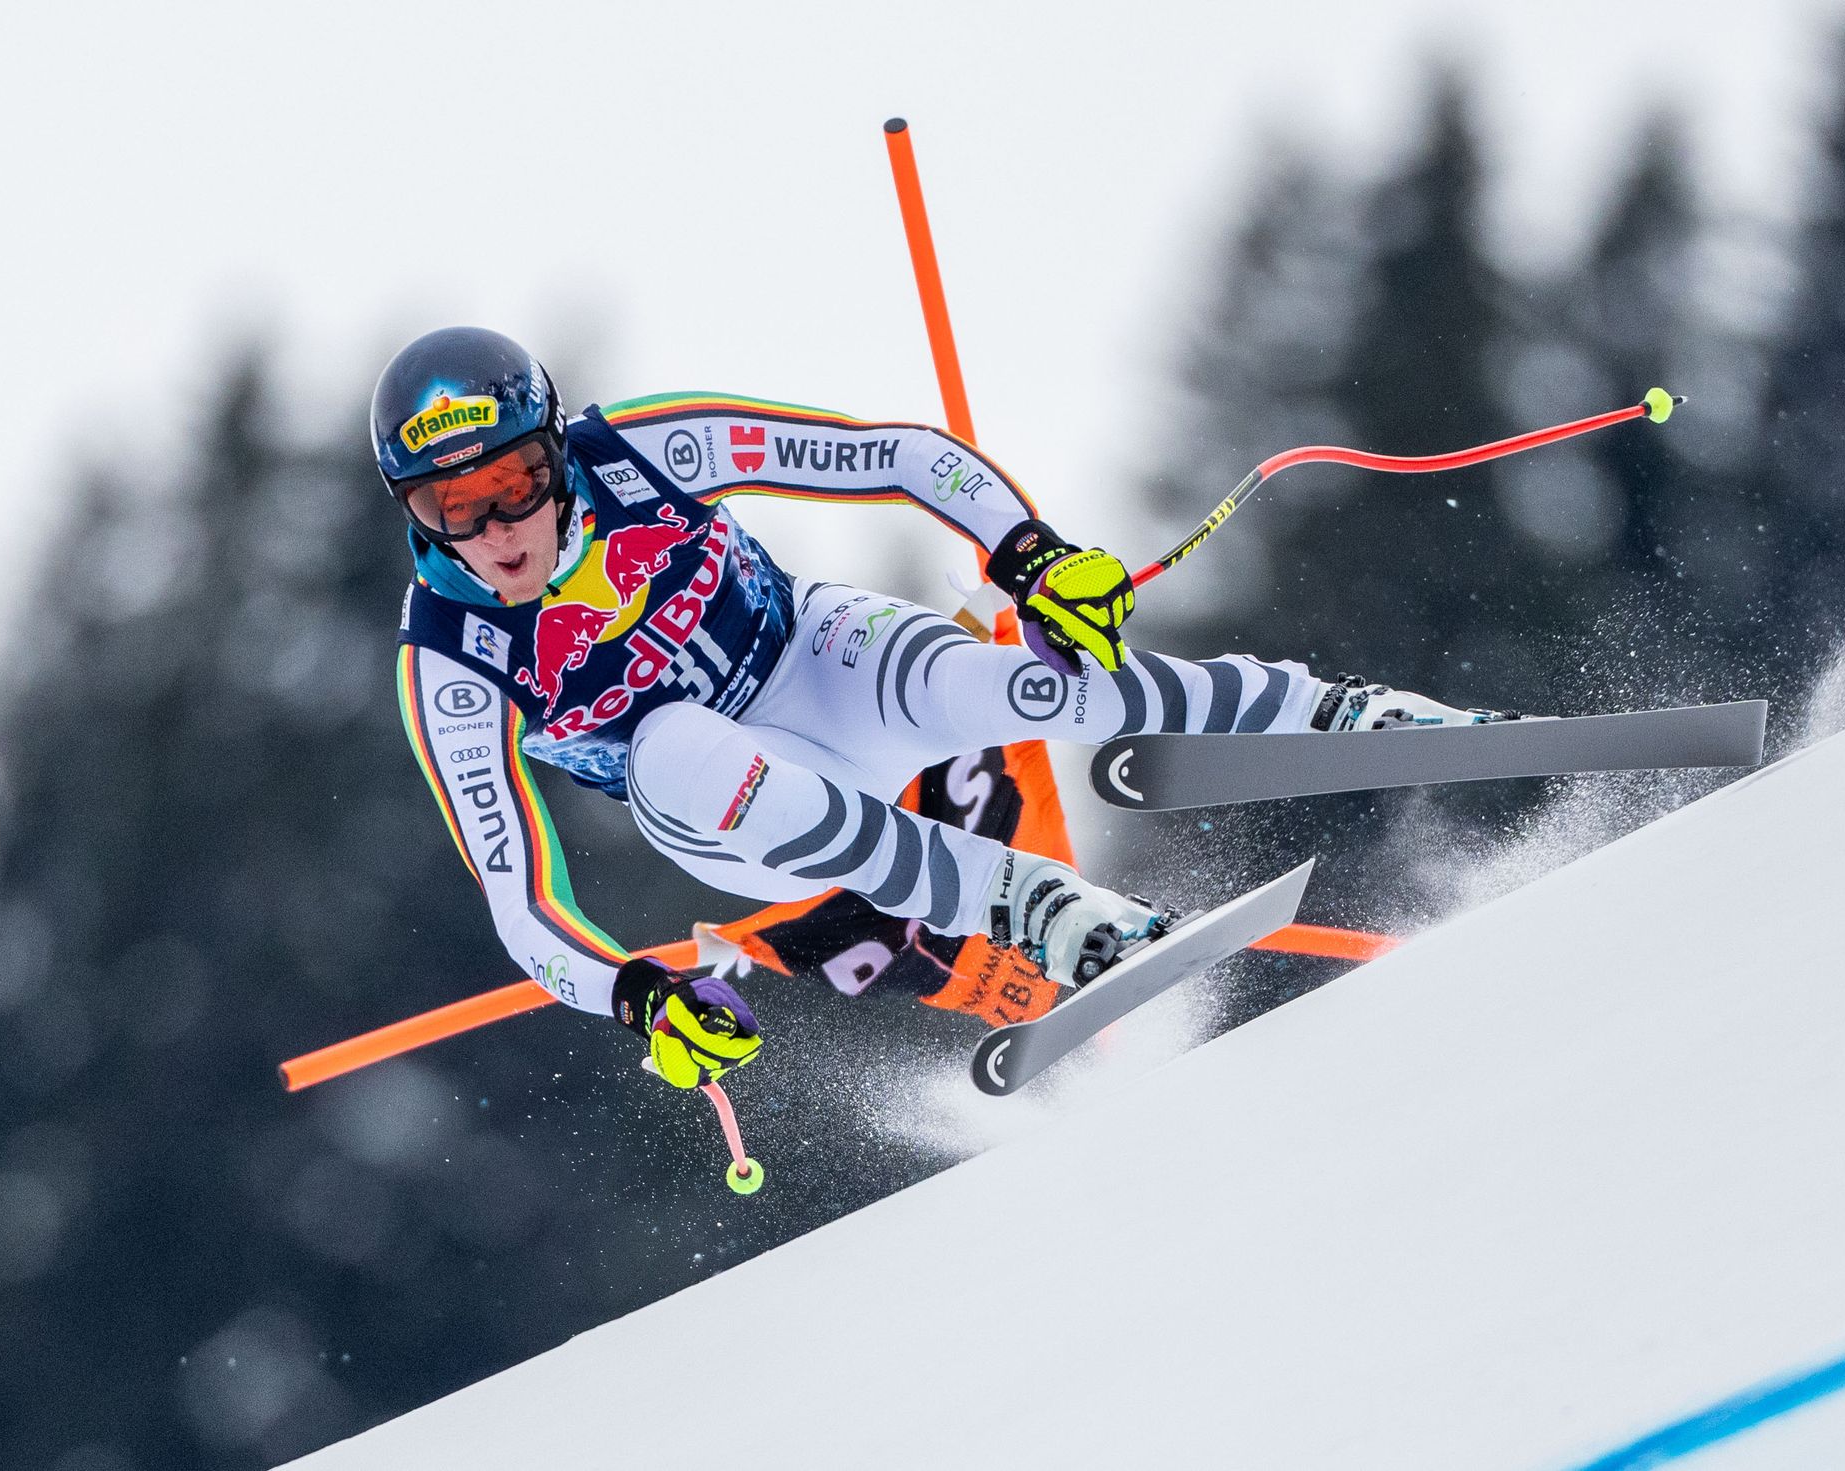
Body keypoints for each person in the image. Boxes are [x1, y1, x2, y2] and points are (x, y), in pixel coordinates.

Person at [375, 326, 1508, 1090]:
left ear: (552, 451)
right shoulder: (448, 659)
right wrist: (633, 997)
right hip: (730, 812)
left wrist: (1030, 556)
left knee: (1011, 683)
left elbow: (896, 456)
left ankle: (1341, 716)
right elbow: (517, 896)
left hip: (812, 653)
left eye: (513, 482)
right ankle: (1043, 912)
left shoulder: (640, 449)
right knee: (672, 742)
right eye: (451, 505)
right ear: (416, 513)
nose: (495, 530)